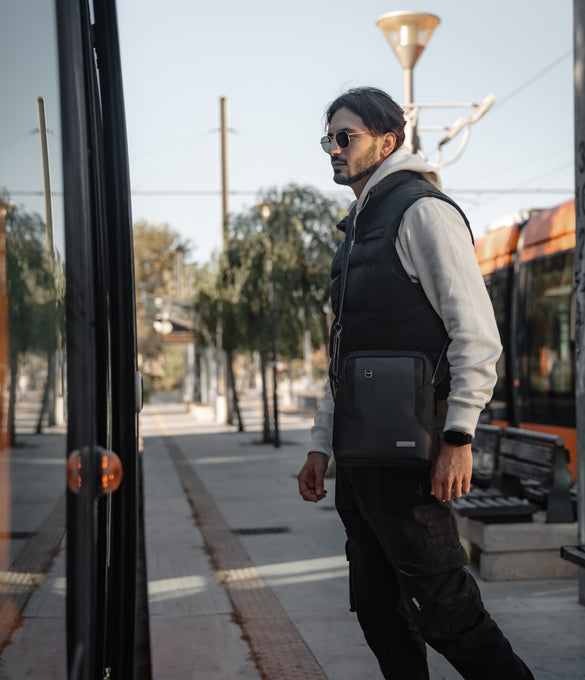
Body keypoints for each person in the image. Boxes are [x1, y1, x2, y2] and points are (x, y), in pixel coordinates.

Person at [297, 87, 534, 680]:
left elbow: (476, 334)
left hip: (412, 453)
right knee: (379, 611)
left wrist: (458, 437)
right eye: (328, 138)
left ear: (388, 140)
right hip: (362, 459)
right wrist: (320, 445)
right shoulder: (355, 230)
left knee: (445, 609)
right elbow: (343, 354)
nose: (333, 148)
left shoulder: (422, 211)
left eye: (344, 136)